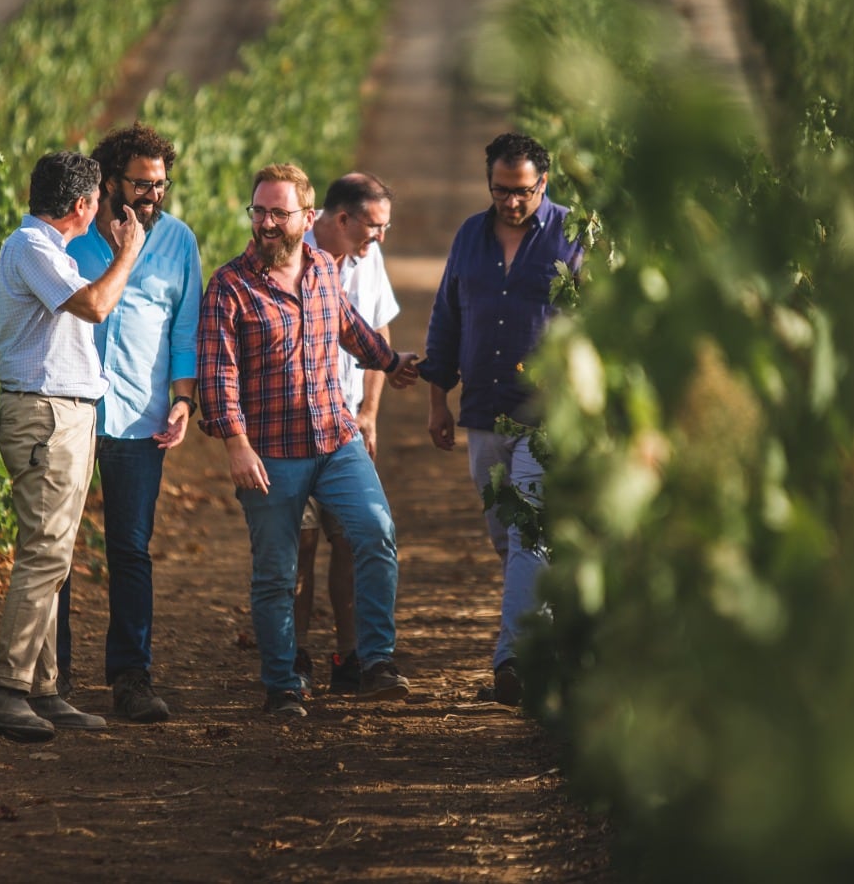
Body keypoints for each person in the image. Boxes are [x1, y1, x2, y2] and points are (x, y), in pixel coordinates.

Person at [197, 162, 420, 718]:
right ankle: (283, 684)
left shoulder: (323, 268)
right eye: (260, 211)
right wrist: (235, 444)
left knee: (376, 531)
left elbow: (350, 328)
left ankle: (376, 662)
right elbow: (218, 374)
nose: (267, 223)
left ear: (307, 216)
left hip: (336, 438)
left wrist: (392, 363)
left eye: (279, 212)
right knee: (277, 572)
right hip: (272, 453)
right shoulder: (230, 286)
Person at [0, 150, 145, 742]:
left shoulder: (48, 253)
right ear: (82, 205)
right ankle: (8, 689)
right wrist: (128, 254)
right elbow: (97, 306)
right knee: (44, 553)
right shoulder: (32, 249)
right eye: (97, 200)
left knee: (53, 553)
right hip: (45, 415)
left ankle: (44, 689)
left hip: (61, 414)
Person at [418, 132, 584, 707]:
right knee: (506, 537)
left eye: (521, 192)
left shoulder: (573, 235)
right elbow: (447, 315)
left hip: (546, 415)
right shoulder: (470, 234)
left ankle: (513, 659)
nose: (511, 203)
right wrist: (438, 399)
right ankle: (550, 628)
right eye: (500, 191)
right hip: (485, 413)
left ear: (544, 182)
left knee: (529, 534)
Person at [53, 123, 201, 723]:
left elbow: (184, 327)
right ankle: (50, 675)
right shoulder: (73, 237)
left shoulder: (180, 242)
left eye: (161, 184)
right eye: (141, 184)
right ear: (110, 181)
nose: (153, 195)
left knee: (130, 549)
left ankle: (131, 677)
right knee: (57, 546)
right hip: (73, 410)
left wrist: (184, 398)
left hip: (141, 416)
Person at [293, 173, 398, 694]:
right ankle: (294, 657)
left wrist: (371, 412)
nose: (378, 237)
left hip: (344, 425)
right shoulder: (291, 250)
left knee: (354, 538)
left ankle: (351, 656)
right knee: (299, 545)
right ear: (340, 219)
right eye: (373, 226)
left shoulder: (367, 257)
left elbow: (377, 332)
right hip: (288, 428)